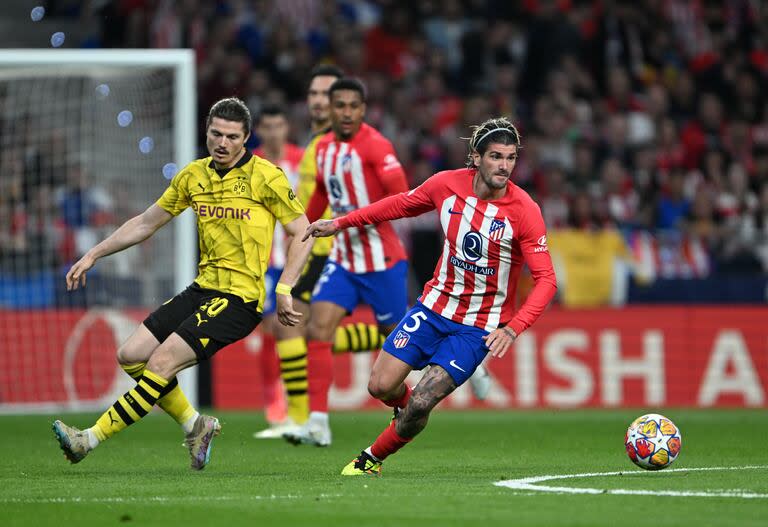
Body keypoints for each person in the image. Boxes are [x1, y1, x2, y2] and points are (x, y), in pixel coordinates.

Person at [51, 97, 313, 470]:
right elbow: (146, 222)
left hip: (241, 299)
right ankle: (196, 425)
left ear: (246, 139)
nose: (222, 143)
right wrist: (95, 253)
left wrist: (285, 287)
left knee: (160, 363)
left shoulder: (266, 176)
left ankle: (87, 439)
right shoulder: (193, 175)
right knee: (131, 355)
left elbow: (303, 231)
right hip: (202, 288)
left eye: (232, 137)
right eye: (216, 134)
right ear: (206, 131)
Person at [303, 117, 558, 475]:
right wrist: (341, 222)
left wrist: (513, 328)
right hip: (432, 307)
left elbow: (546, 280)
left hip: (476, 328)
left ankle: (370, 459)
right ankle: (407, 415)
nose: (504, 166)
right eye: (496, 157)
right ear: (476, 157)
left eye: (511, 158)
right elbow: (398, 205)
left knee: (423, 400)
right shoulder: (446, 185)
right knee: (380, 385)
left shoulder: (525, 211)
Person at [252, 65, 395, 439]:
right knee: (298, 327)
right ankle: (303, 419)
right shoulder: (318, 146)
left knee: (300, 327)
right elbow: (310, 202)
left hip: (336, 248)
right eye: (314, 94)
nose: (319, 101)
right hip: (315, 247)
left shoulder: (343, 146)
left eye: (325, 95)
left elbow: (396, 193)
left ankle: (301, 418)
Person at [282, 78, 411, 447]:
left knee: (400, 346)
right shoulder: (322, 148)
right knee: (317, 330)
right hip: (343, 260)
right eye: (340, 105)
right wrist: (300, 228)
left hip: (381, 260)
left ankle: (448, 376)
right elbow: (322, 192)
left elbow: (403, 197)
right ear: (331, 108)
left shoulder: (376, 146)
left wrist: (350, 219)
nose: (347, 112)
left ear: (363, 109)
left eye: (354, 106)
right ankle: (318, 422)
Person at [252, 103, 305, 432]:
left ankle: (294, 403)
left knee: (296, 328)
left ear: (287, 128)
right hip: (264, 259)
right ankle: (275, 399)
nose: (273, 132)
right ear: (259, 131)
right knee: (272, 326)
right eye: (267, 126)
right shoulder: (251, 164)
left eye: (278, 125)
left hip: (299, 258)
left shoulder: (303, 161)